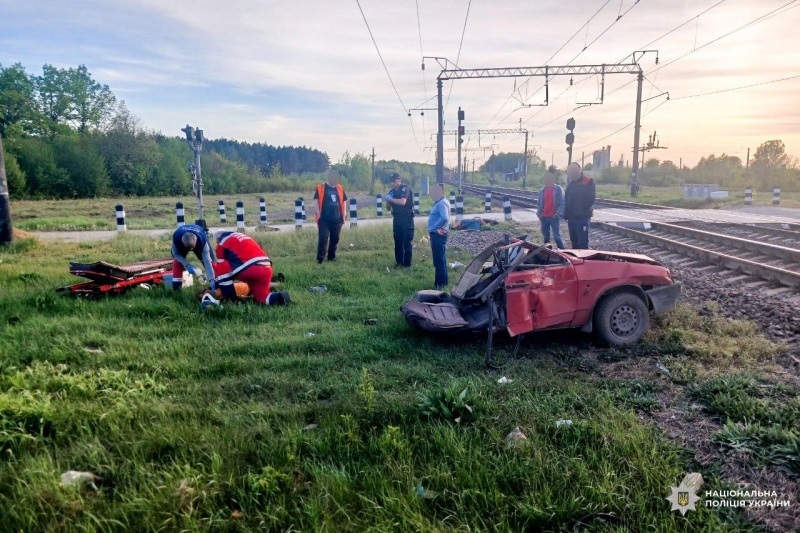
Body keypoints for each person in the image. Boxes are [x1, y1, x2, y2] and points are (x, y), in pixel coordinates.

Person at [209, 230, 290, 305]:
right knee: (262, 299)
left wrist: (216, 282)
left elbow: (221, 267)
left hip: (249, 270)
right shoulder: (243, 236)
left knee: (222, 272)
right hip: (267, 268)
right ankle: (281, 297)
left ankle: (231, 301)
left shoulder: (222, 243)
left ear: (217, 240)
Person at [313, 169, 347, 264]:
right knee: (323, 238)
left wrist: (344, 214)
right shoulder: (321, 187)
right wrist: (318, 214)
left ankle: (331, 257)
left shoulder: (340, 188)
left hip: (337, 219)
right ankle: (320, 259)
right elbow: (315, 200)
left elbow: (344, 201)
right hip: (324, 219)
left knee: (335, 239)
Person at [171, 223, 216, 290]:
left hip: (199, 233)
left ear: (196, 240)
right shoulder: (177, 238)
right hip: (182, 238)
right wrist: (187, 265)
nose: (191, 251)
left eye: (193, 248)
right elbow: (176, 254)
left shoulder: (202, 241)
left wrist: (212, 279)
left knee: (211, 262)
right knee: (178, 262)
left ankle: (217, 282)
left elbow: (207, 261)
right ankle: (176, 289)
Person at [563, 162, 596, 249]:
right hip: (572, 218)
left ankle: (584, 261)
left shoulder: (588, 181)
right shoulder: (570, 184)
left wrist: (581, 210)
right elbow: (567, 200)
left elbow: (591, 198)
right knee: (574, 240)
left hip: (583, 217)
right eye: (570, 170)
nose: (571, 172)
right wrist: (566, 214)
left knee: (582, 241)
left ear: (579, 170)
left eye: (573, 170)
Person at [385, 172, 414, 267]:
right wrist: (388, 200)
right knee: (398, 241)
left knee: (407, 241)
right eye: (391, 181)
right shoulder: (391, 191)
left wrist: (391, 199)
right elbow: (388, 208)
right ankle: (399, 262)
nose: (392, 183)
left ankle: (407, 264)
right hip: (397, 218)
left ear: (399, 179)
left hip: (406, 218)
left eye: (394, 180)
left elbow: (403, 202)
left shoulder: (404, 188)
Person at [427, 183, 450, 290]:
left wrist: (436, 227)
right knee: (440, 260)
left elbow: (445, 217)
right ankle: (442, 283)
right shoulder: (441, 202)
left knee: (439, 261)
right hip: (438, 234)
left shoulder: (441, 203)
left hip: (438, 234)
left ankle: (440, 285)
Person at [536, 171, 565, 249]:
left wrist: (558, 213)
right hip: (544, 217)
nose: (547, 180)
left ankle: (563, 252)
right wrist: (538, 213)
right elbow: (539, 203)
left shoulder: (558, 189)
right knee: (546, 237)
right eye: (546, 179)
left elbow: (562, 203)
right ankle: (548, 253)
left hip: (553, 217)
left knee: (556, 236)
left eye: (549, 178)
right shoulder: (542, 191)